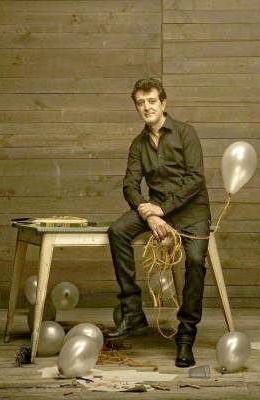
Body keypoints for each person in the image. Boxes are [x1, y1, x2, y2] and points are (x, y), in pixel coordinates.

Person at [104, 78, 211, 368]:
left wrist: (162, 209)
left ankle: (185, 335)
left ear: (163, 103)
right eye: (141, 103)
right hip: (156, 208)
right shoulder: (138, 144)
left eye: (151, 101)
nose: (146, 107)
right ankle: (133, 312)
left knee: (195, 261)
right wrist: (149, 214)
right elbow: (129, 185)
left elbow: (195, 180)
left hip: (191, 211)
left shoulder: (186, 133)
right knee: (117, 231)